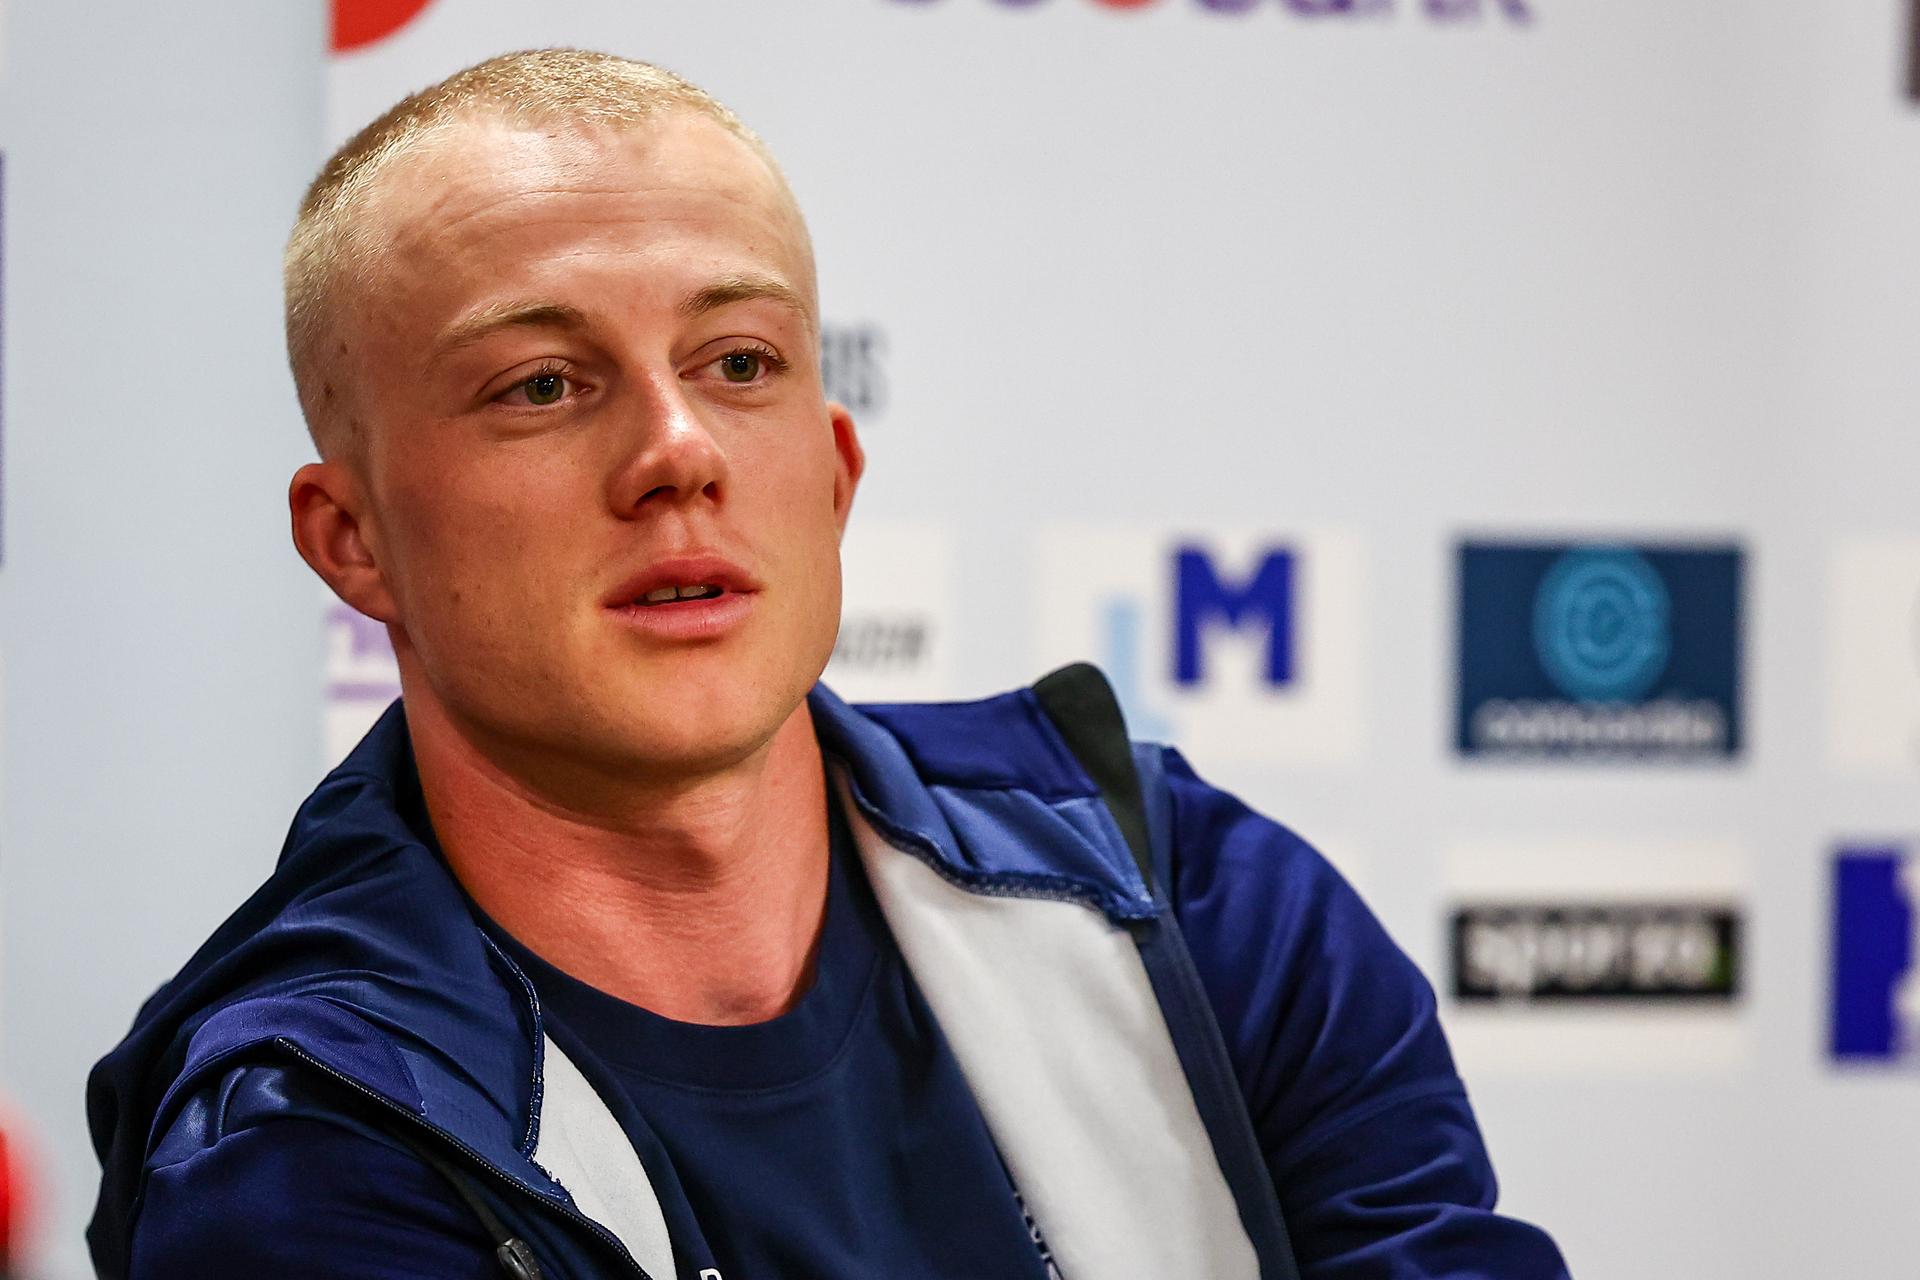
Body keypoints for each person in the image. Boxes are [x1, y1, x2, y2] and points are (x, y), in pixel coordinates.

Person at [87, 49, 1568, 1280]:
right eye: (543, 384)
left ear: (835, 465)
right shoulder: (302, 1139)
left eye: (739, 363)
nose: (678, 452)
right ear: (351, 540)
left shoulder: (1192, 895)